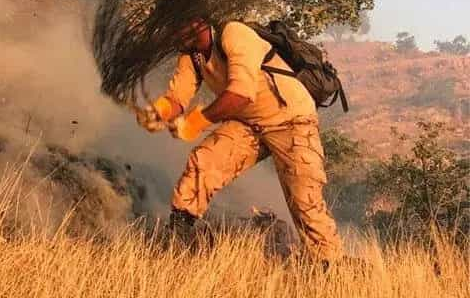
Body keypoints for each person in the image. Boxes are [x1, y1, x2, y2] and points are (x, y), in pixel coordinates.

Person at [137, 19, 343, 261]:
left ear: (197, 23)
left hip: (292, 121)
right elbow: (177, 98)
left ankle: (327, 264)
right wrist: (158, 113)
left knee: (304, 200)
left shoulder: (234, 34)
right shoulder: (191, 57)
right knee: (204, 162)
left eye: (177, 25)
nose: (171, 34)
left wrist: (195, 122)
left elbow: (240, 95)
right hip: (249, 124)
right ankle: (178, 237)